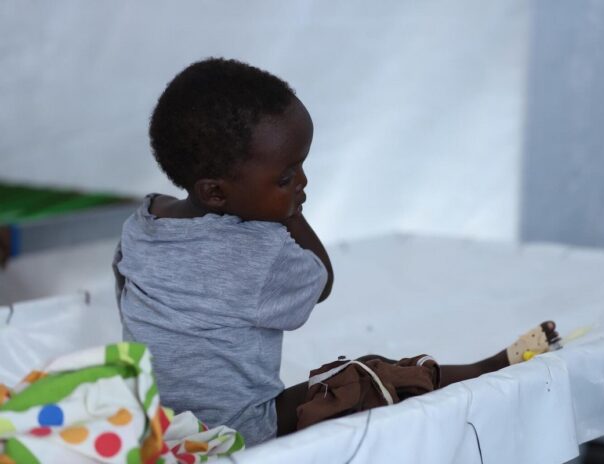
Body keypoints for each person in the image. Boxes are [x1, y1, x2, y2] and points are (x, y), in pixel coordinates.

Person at [113, 58, 559, 447]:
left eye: (301, 167)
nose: (302, 183)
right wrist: (291, 215)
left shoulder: (145, 221)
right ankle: (482, 370)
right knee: (367, 379)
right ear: (215, 192)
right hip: (239, 429)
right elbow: (320, 281)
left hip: (154, 421)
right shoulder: (260, 251)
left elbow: (123, 282)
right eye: (286, 178)